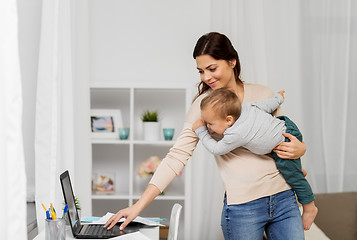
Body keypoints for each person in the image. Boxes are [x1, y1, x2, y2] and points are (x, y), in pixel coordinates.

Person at [105, 32, 307, 239]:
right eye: (201, 71)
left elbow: (284, 134)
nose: (206, 77)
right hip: (243, 206)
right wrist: (138, 206)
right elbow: (176, 157)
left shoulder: (263, 93)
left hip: (284, 197)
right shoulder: (202, 107)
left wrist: (301, 148)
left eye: (212, 69)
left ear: (232, 61)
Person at [192, 88, 318, 230]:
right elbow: (268, 105)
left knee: (294, 177)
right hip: (286, 126)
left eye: (210, 123)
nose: (208, 126)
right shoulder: (246, 107)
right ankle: (294, 170)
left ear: (229, 120)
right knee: (286, 166)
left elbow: (216, 149)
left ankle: (309, 207)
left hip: (285, 143)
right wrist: (279, 97)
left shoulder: (235, 133)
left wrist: (200, 130)